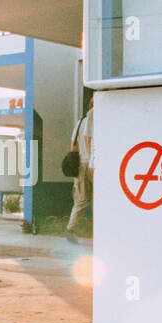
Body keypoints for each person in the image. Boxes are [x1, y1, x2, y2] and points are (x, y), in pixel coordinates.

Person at [67, 95, 94, 239]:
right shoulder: (97, 120)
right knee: (98, 198)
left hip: (81, 165)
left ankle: (71, 228)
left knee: (81, 199)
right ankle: (100, 229)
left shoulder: (79, 123)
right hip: (93, 164)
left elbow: (73, 145)